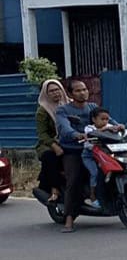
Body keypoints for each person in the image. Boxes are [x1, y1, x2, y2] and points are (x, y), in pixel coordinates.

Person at [54, 79, 98, 233]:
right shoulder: (63, 110)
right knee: (73, 180)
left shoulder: (93, 107)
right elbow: (64, 128)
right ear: (70, 94)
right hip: (73, 150)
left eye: (84, 89)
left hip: (94, 148)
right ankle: (69, 219)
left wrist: (120, 128)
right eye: (78, 90)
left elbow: (107, 120)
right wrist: (75, 134)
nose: (83, 92)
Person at [32, 79, 67, 204]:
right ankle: (54, 189)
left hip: (70, 141)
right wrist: (54, 145)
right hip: (48, 144)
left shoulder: (70, 105)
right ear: (46, 94)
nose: (55, 93)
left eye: (57, 89)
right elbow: (42, 134)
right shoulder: (42, 111)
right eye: (51, 91)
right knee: (50, 157)